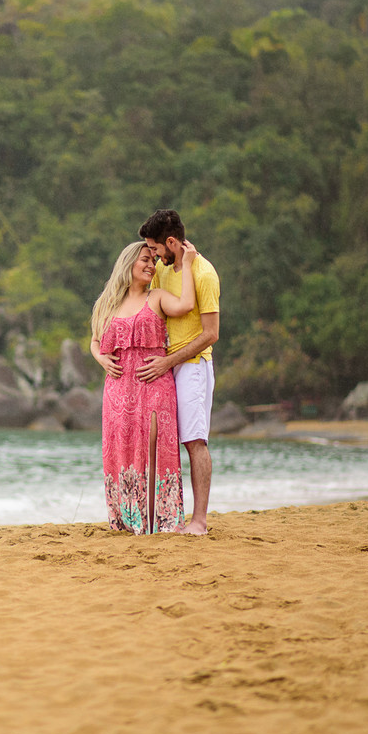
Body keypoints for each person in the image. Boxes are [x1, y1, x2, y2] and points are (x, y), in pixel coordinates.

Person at [90, 239, 197, 534]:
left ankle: (157, 524)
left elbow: (186, 305)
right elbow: (95, 341)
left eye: (153, 260)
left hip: (154, 385)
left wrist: (187, 265)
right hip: (117, 389)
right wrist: (101, 359)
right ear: (128, 264)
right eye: (145, 260)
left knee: (154, 452)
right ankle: (128, 521)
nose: (151, 265)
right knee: (121, 453)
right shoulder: (108, 302)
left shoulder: (157, 297)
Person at [136, 209, 220, 535]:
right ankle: (161, 515)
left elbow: (210, 334)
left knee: (194, 441)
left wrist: (168, 363)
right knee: (161, 440)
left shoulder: (204, 274)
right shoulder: (162, 268)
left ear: (171, 242)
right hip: (165, 365)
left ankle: (199, 521)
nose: (153, 255)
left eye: (156, 248)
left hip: (193, 366)